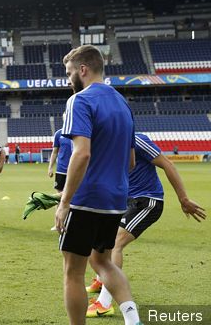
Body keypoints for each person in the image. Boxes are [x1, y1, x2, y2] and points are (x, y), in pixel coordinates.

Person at [55, 45, 142, 325]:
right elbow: (130, 161)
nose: (68, 80)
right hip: (116, 198)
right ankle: (132, 318)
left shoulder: (79, 101)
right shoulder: (122, 103)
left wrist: (64, 202)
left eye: (69, 73)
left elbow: (81, 153)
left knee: (73, 271)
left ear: (83, 70)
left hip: (85, 199)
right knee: (102, 261)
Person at [85, 133, 206, 317]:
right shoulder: (103, 145)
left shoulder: (137, 139)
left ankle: (104, 303)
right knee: (98, 238)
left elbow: (168, 164)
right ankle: (103, 279)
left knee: (115, 243)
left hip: (148, 200)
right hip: (125, 202)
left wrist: (183, 199)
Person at [48, 127, 73, 231]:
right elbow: (54, 152)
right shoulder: (59, 133)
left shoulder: (79, 131)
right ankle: (57, 223)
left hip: (75, 170)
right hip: (61, 170)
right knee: (59, 197)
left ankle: (70, 223)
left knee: (74, 198)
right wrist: (50, 167)